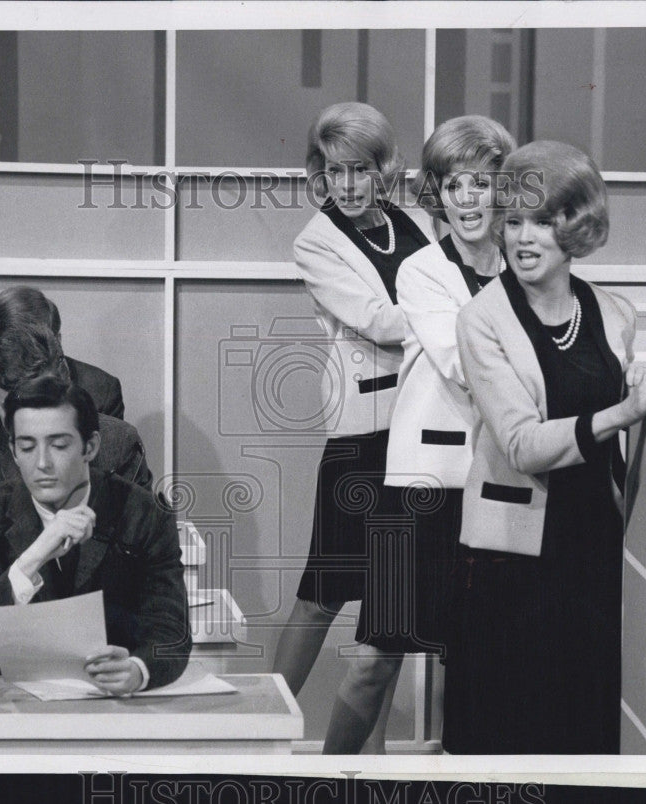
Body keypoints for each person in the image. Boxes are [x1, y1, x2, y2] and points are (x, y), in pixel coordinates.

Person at [444, 140, 646, 754]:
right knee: (507, 736)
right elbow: (524, 445)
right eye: (514, 222)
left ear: (575, 228)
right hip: (513, 559)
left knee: (585, 729)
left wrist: (638, 387)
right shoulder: (481, 319)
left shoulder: (614, 313)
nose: (524, 239)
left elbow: (624, 414)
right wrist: (621, 410)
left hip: (596, 547)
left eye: (543, 221)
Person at [320, 117, 517, 754]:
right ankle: (326, 781)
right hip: (420, 487)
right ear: (437, 191)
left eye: (481, 183)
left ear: (502, 189)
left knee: (481, 656)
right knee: (376, 658)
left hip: (502, 484)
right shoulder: (422, 272)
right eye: (452, 184)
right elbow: (465, 364)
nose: (466, 199)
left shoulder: (527, 264)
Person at [270, 102, 436, 754]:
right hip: (363, 433)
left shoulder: (417, 220)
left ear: (382, 169)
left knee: (388, 618)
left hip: (425, 431)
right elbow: (379, 321)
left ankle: (366, 764)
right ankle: (262, 745)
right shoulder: (315, 241)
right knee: (321, 593)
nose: (347, 184)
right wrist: (458, 318)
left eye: (360, 169)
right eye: (334, 170)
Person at [0, 376, 190, 692]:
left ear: (90, 447)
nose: (42, 463)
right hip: (13, 714)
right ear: (13, 450)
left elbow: (172, 632)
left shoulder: (143, 514)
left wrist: (138, 669)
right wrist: (29, 561)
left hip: (117, 708)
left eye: (59, 445)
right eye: (27, 447)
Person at [0, 324, 152, 593]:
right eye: (14, 406)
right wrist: (38, 540)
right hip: (8, 621)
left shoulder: (117, 444)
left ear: (66, 382)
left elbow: (143, 556)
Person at [0, 285, 124, 447]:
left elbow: (110, 466)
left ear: (58, 340)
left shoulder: (102, 391)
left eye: (38, 345)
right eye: (12, 346)